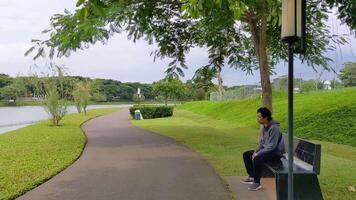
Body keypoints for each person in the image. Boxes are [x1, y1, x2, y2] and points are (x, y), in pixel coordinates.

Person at [241, 107, 285, 191]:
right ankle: (252, 176)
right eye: (257, 116)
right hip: (268, 151)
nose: (257, 119)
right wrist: (256, 151)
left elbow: (272, 146)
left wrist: (258, 153)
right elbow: (262, 142)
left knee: (257, 158)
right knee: (246, 154)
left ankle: (257, 183)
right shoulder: (265, 127)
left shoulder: (274, 128)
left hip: (275, 153)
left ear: (265, 118)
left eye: (259, 117)